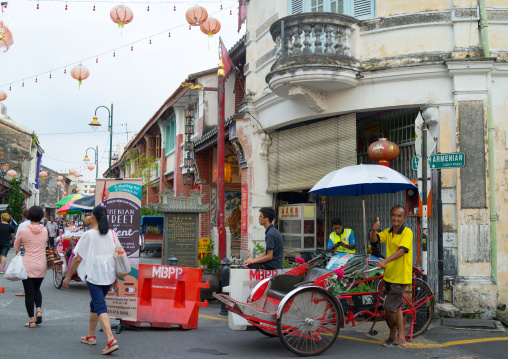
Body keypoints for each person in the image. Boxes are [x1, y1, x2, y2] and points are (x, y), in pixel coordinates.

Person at [63, 205, 119, 355]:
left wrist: (68, 277)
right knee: (95, 304)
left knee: (100, 306)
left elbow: (77, 258)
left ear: (93, 217)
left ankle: (110, 339)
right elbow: (118, 253)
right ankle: (90, 335)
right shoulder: (113, 234)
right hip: (109, 275)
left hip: (94, 275)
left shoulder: (88, 235)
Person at [370, 205, 413, 348]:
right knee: (397, 307)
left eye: (399, 216)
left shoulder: (407, 232)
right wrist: (374, 230)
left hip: (400, 277)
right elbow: (375, 239)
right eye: (394, 215)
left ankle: (393, 333)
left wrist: (385, 261)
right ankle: (401, 338)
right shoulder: (388, 232)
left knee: (389, 307)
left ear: (404, 218)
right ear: (390, 216)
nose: (396, 218)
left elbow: (402, 251)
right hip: (389, 275)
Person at [14, 206, 48, 328]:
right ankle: (39, 310)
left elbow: (16, 247)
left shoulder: (23, 231)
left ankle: (32, 321)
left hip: (27, 264)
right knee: (37, 289)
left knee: (29, 293)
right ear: (41, 216)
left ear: (29, 215)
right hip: (41, 264)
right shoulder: (44, 230)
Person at [15, 208, 29, 297]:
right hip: (36, 251)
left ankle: (26, 290)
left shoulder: (22, 225)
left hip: (24, 250)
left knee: (25, 270)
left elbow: (17, 240)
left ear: (24, 216)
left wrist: (16, 253)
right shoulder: (38, 225)